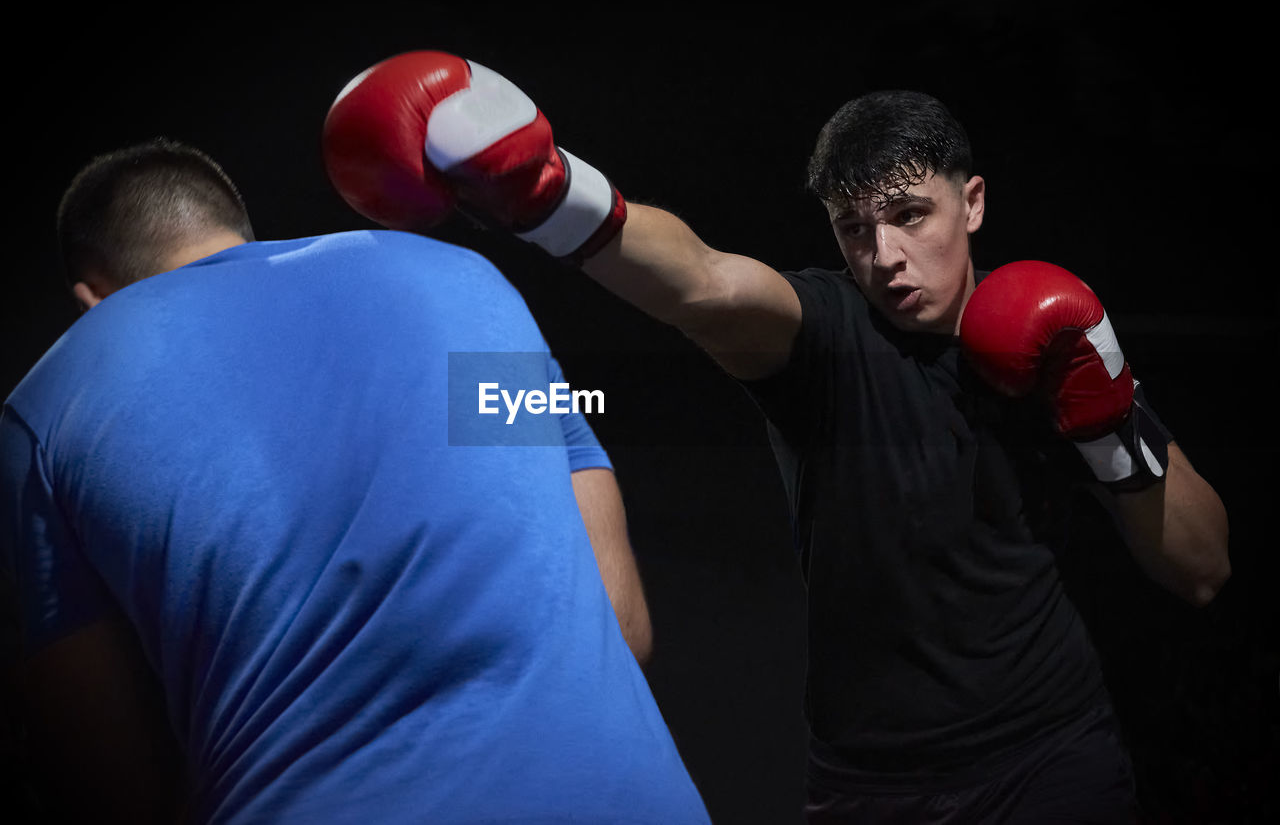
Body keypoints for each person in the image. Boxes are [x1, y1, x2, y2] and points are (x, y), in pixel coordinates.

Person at [321, 51, 1232, 823]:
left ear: (974, 203)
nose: (885, 256)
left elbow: (1201, 568)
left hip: (1052, 754)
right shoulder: (827, 334)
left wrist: (1110, 422)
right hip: (868, 783)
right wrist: (543, 190)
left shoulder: (1061, 340)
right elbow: (704, 283)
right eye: (854, 229)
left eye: (911, 215)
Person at [0, 138, 712, 824]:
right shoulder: (463, 281)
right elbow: (620, 624)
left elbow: (106, 786)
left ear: (93, 300)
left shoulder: (51, 399)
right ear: (241, 233)